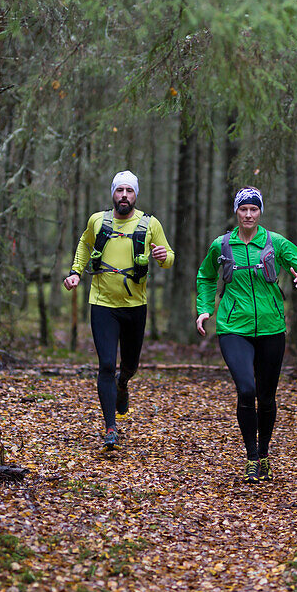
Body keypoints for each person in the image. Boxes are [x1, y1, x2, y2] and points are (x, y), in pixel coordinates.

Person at [195, 187, 297, 483]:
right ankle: (251, 457)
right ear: (236, 212)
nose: (248, 214)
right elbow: (206, 276)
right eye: (243, 210)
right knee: (246, 390)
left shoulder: (275, 243)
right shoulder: (222, 245)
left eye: (253, 209)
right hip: (233, 328)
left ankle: (264, 454)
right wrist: (204, 309)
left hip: (272, 328)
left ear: (260, 212)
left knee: (267, 396)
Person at [64, 170, 174, 449]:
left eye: (129, 191)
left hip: (135, 305)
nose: (124, 196)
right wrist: (76, 272)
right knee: (105, 365)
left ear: (136, 195)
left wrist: (163, 256)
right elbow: (85, 244)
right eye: (119, 191)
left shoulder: (150, 224)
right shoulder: (97, 221)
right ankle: (110, 427)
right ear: (113, 193)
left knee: (130, 365)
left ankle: (123, 383)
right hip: (102, 303)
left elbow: (169, 257)